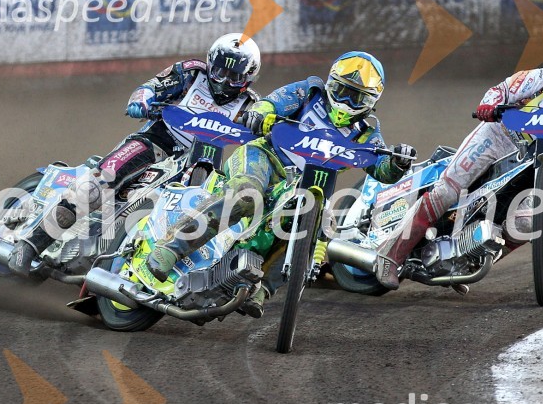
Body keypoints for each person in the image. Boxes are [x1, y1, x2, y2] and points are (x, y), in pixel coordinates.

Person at [145, 51, 417, 317]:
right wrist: (261, 112)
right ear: (330, 81)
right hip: (264, 156)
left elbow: (382, 169)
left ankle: (260, 290)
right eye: (341, 89)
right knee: (247, 196)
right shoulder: (310, 92)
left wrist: (398, 162)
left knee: (320, 230)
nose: (345, 100)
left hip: (305, 186)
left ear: (371, 100)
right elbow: (274, 102)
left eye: (356, 96)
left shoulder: (367, 132)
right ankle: (170, 249)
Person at [374, 46, 543, 289]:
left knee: (527, 223)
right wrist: (488, 105)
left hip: (533, 163)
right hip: (497, 137)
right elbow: (502, 89)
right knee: (447, 191)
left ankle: (467, 261)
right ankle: (390, 257)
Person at [7, 33, 261, 275]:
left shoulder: (252, 106)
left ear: (248, 78)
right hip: (156, 142)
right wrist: (141, 101)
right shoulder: (192, 73)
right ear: (210, 63)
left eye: (233, 77)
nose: (224, 81)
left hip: (198, 162)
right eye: (220, 72)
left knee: (207, 209)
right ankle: (30, 244)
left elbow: (264, 137)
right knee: (99, 183)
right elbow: (150, 87)